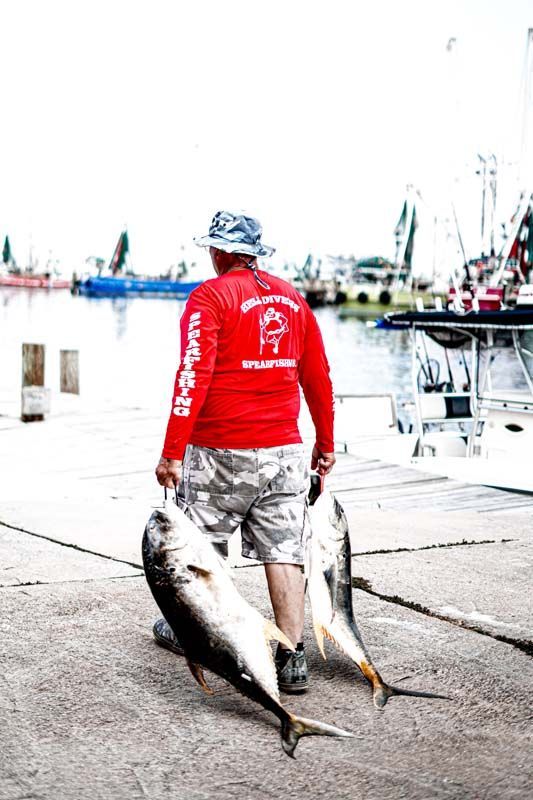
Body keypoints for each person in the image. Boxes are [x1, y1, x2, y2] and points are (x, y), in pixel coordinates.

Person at [154, 210, 335, 693]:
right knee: (283, 551)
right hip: (285, 449)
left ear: (220, 251)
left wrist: (172, 451)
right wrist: (326, 442)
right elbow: (317, 375)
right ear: (254, 253)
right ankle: (292, 655)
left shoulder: (209, 296)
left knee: (202, 550)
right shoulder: (294, 299)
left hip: (220, 448)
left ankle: (199, 635)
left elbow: (193, 375)